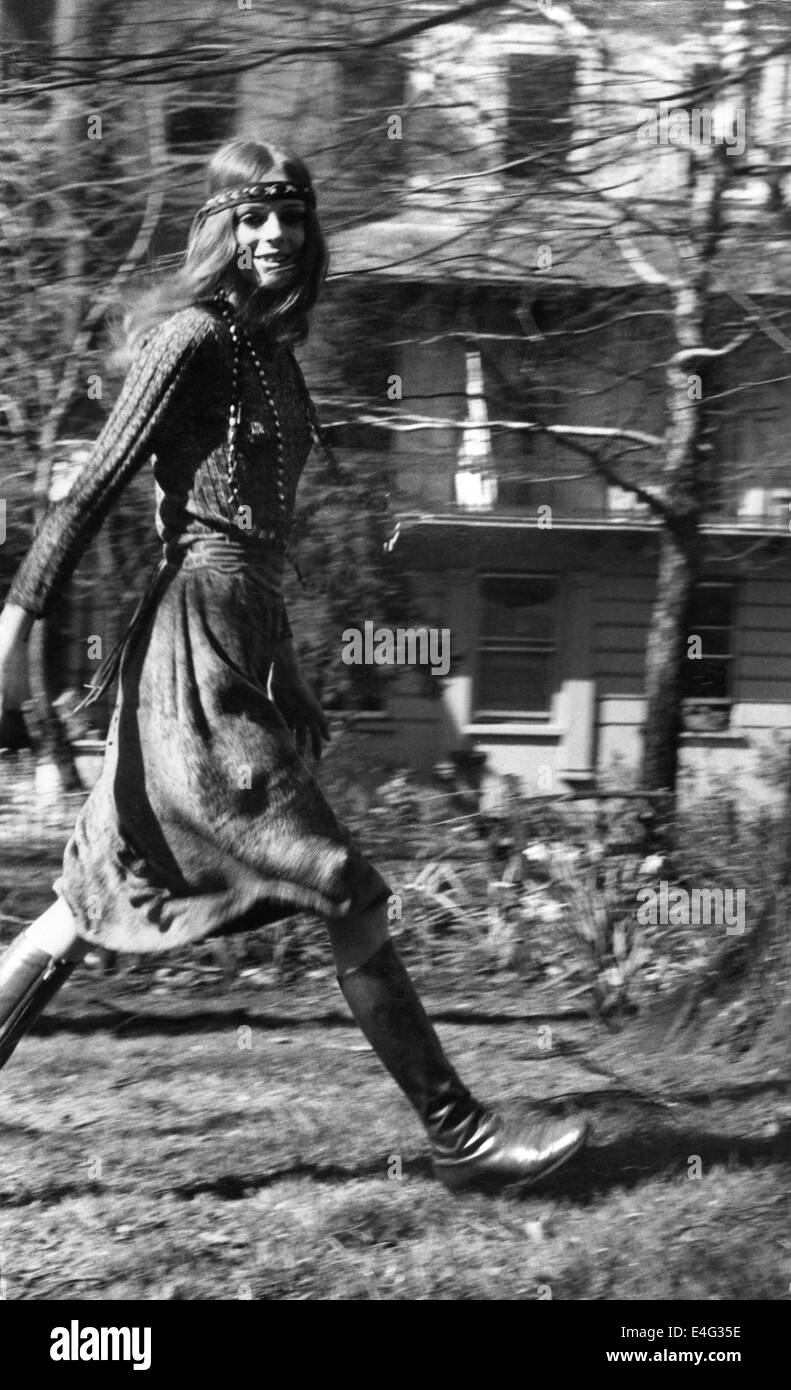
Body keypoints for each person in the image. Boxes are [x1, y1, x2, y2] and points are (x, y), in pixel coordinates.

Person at [0, 138, 587, 1194]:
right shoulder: (190, 338)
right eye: (255, 216)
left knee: (80, 907)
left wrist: (295, 682)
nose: (277, 235)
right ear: (221, 226)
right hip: (192, 654)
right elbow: (89, 484)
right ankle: (460, 1136)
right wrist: (20, 616)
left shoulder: (267, 352)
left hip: (234, 634)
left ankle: (461, 1136)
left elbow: (259, 554)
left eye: (293, 217)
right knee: (346, 884)